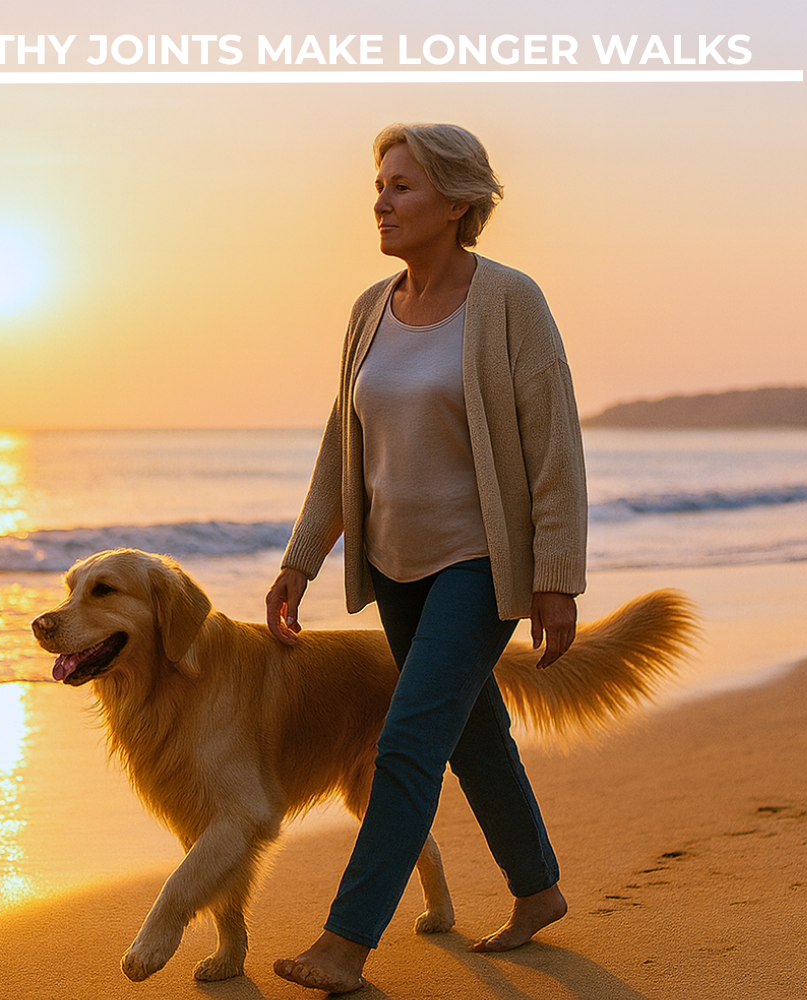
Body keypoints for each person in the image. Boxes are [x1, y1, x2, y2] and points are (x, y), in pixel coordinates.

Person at [265, 123, 588, 994]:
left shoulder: (510, 301)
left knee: (407, 743)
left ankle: (346, 941)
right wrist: (301, 557)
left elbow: (552, 444)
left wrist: (555, 577)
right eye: (379, 183)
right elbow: (343, 445)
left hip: (479, 562)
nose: (382, 200)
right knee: (474, 733)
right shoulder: (369, 308)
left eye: (402, 186)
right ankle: (540, 890)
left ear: (458, 201)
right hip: (394, 566)